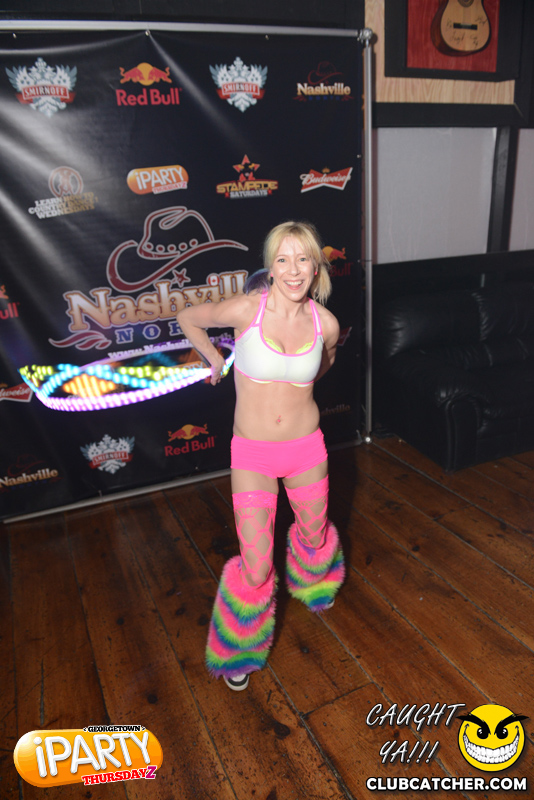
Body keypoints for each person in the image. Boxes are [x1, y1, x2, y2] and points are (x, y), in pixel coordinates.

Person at [177, 220, 345, 691]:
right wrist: (214, 359)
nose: (293, 270)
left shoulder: (326, 323)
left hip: (306, 448)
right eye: (283, 259)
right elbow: (189, 317)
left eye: (303, 259)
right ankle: (238, 649)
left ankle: (315, 583)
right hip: (252, 455)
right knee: (255, 567)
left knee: (313, 535)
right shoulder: (246, 310)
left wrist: (297, 380)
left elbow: (324, 362)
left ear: (315, 268)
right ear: (270, 267)